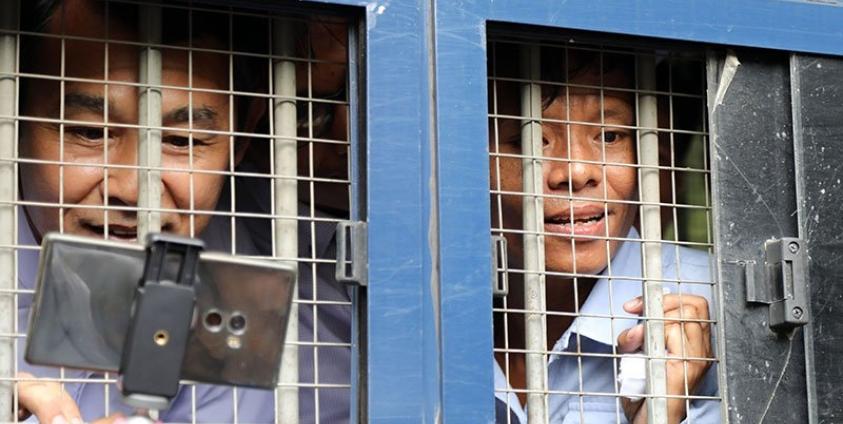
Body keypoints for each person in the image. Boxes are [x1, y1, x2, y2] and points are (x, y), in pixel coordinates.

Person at [15, 1, 353, 422]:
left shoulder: (234, 304)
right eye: (89, 132)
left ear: (241, 139)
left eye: (182, 140)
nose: (137, 190)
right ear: (13, 121)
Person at [489, 45, 718, 423]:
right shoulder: (409, 309)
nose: (577, 171)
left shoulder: (719, 302)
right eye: (531, 140)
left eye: (610, 136)